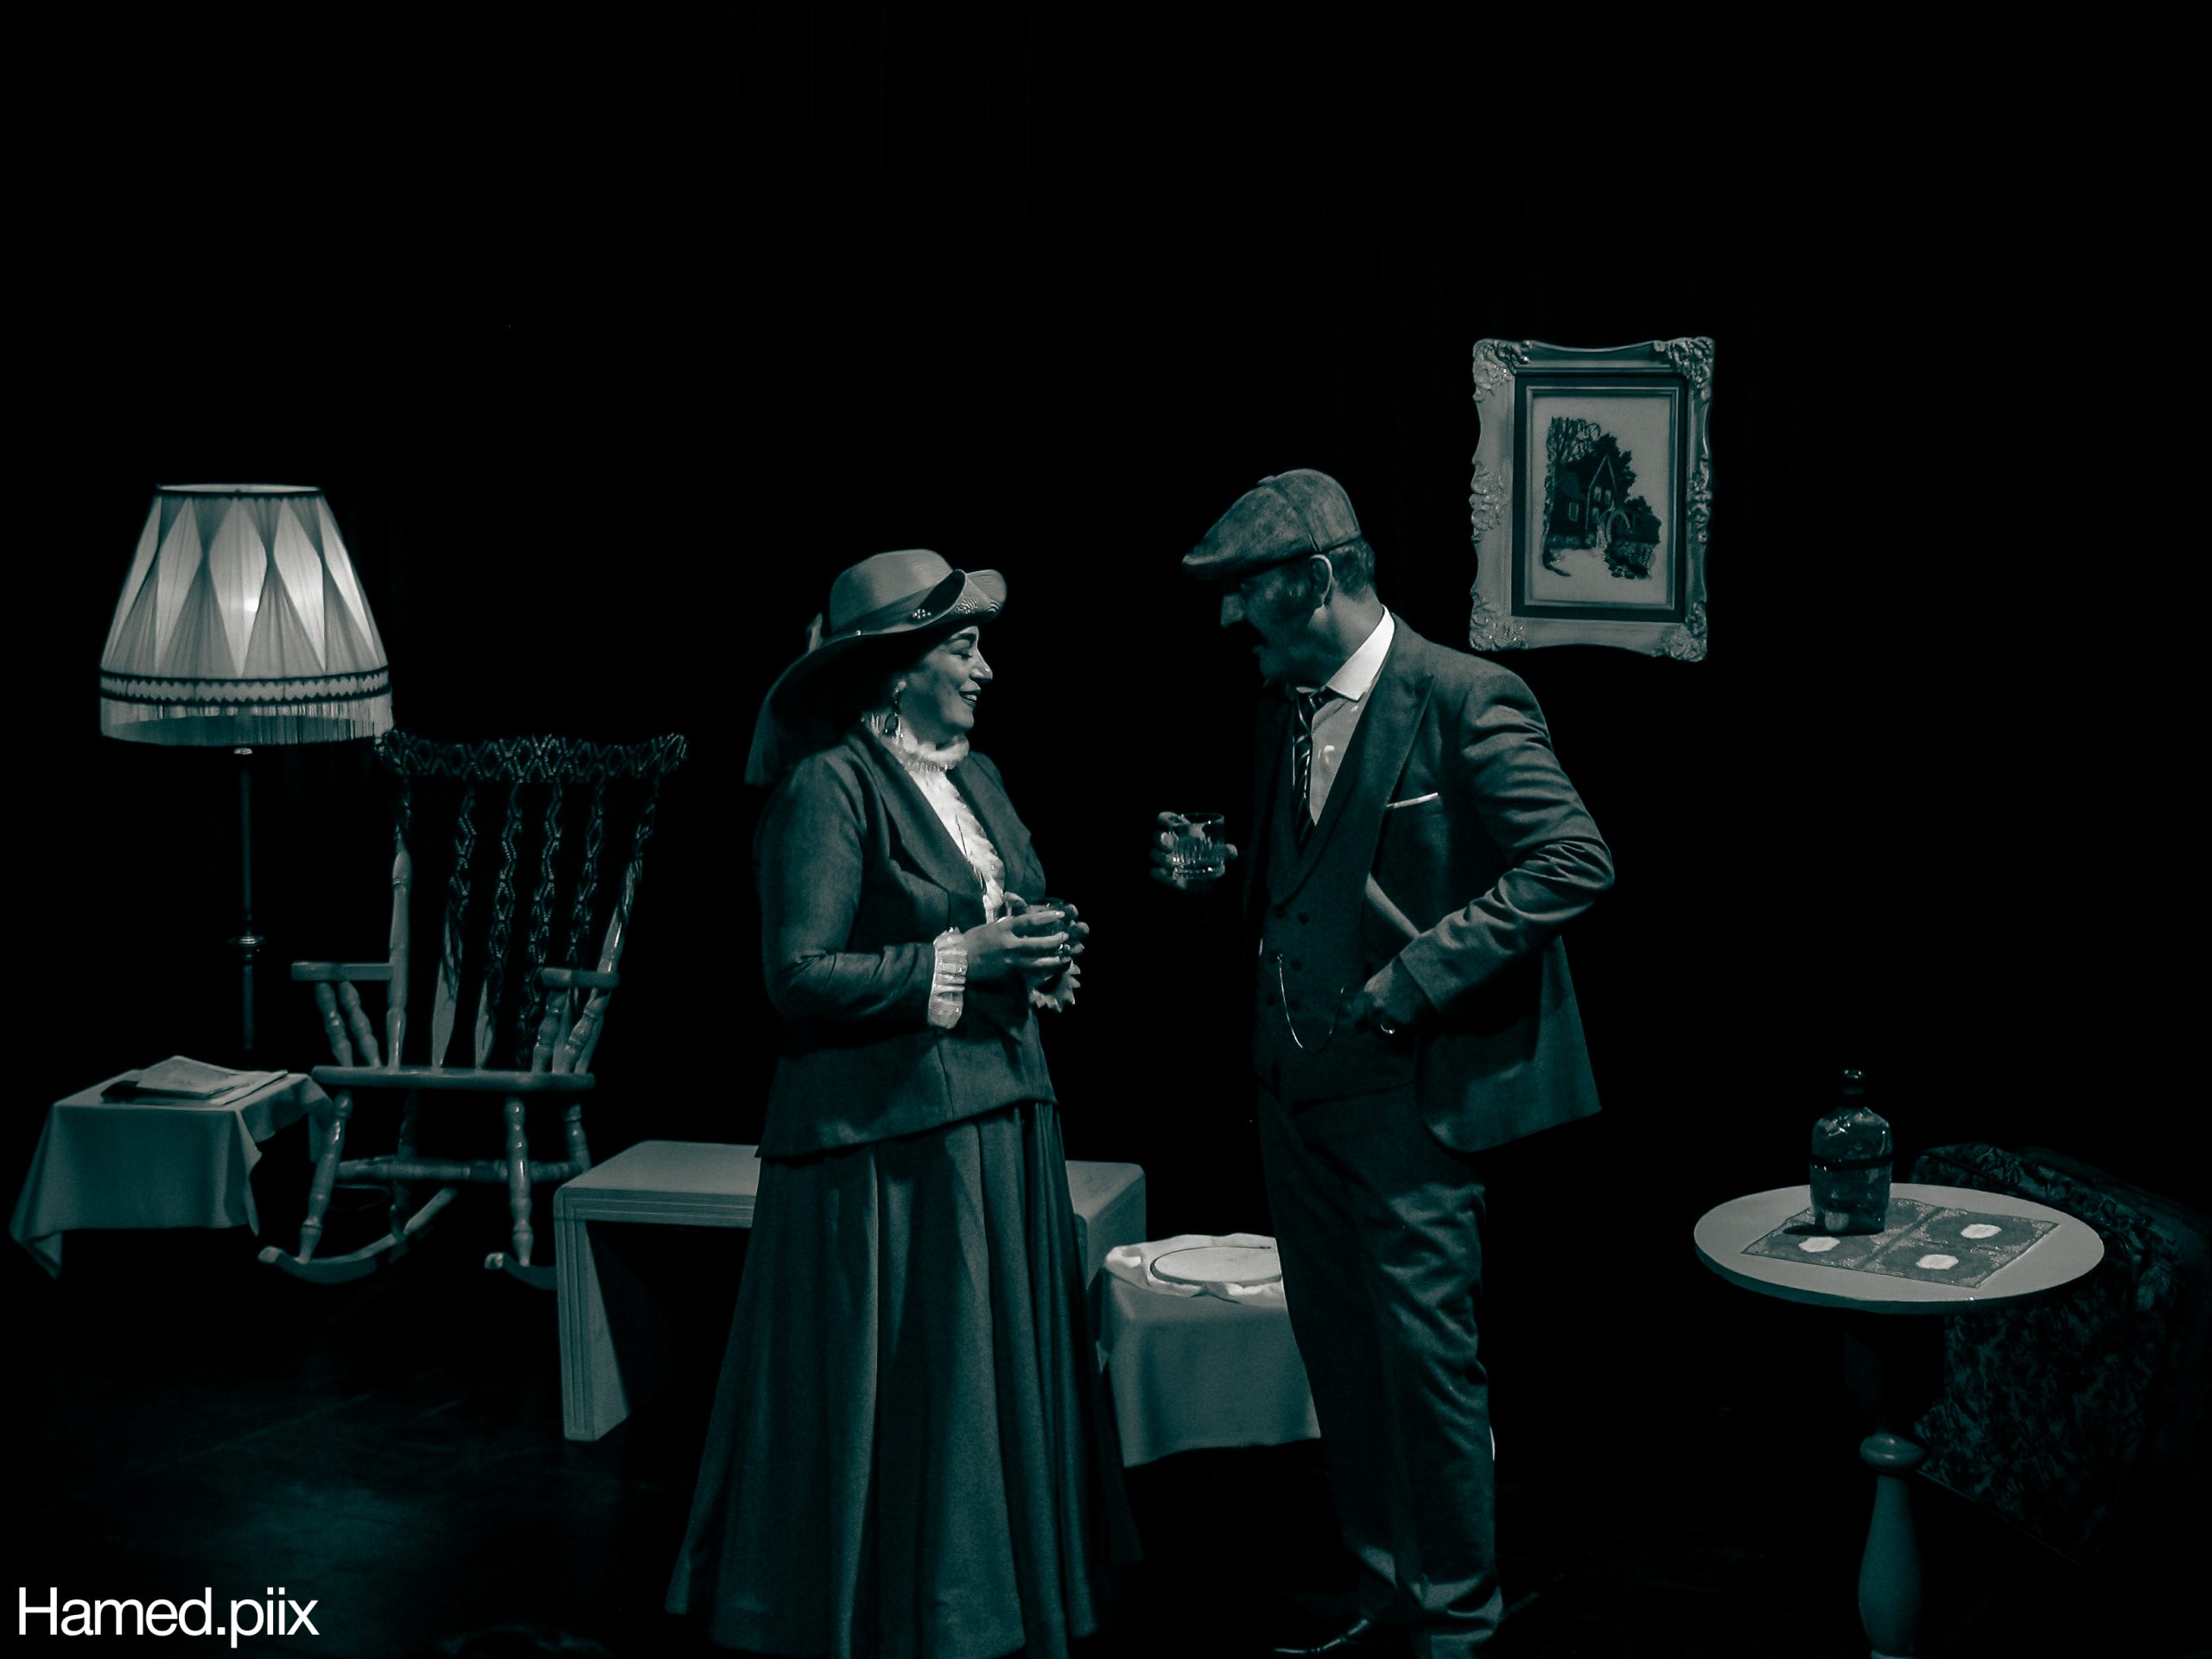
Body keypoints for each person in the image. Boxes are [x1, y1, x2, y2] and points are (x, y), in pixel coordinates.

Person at [1154, 470, 1613, 1657]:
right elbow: (1312, 873)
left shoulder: (1464, 697)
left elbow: (1571, 862)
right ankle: (1385, 1596)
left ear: (1314, 579)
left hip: (1413, 1100)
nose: (1229, 618)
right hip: (1292, 1089)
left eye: (1246, 590)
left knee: (1424, 1367)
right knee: (1342, 1360)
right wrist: (1221, 879)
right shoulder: (1282, 706)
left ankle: (1457, 1625)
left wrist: (1417, 977)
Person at [671, 549, 1133, 1658]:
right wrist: (964, 957)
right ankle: (897, 1606)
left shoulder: (977, 779)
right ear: (894, 668)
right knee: (911, 1387)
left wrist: (1040, 953)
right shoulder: (828, 787)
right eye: (962, 647)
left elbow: (1003, 908)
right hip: (887, 1141)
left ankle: (989, 1596)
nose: (984, 670)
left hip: (1001, 1115)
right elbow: (798, 973)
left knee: (981, 1385)